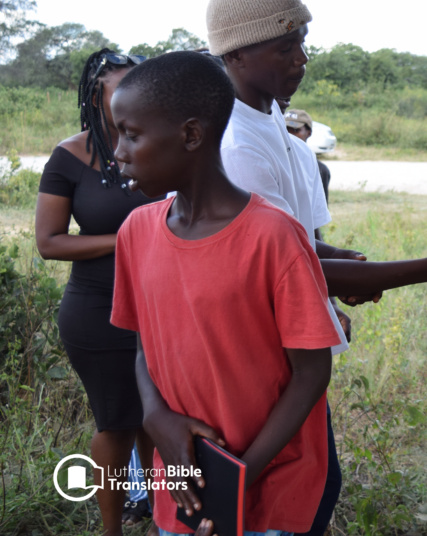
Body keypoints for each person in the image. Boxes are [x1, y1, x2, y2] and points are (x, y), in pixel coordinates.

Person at [206, 0, 427, 535]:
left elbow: (293, 241)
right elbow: (280, 269)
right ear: (237, 54)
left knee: (315, 488)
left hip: (293, 348)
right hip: (258, 357)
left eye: (303, 43)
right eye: (285, 47)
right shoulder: (237, 146)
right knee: (275, 502)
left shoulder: (273, 123)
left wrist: (339, 260)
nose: (302, 59)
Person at [109, 51, 341, 535]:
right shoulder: (136, 231)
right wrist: (156, 418)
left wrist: (234, 482)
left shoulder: (272, 236)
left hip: (267, 488)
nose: (119, 152)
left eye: (131, 135)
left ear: (191, 135)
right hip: (183, 484)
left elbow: (312, 371)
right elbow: (144, 346)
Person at [35, 49, 160, 536]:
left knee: (159, 420)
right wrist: (128, 237)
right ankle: (112, 530)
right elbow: (49, 242)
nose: (134, 97)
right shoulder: (69, 157)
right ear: (94, 96)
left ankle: (164, 518)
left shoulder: (160, 143)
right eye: (121, 88)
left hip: (162, 308)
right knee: (118, 422)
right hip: (98, 311)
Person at [283, 108, 331, 202]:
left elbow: (320, 206)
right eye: (285, 130)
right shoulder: (274, 163)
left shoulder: (319, 169)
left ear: (308, 133)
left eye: (295, 130)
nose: (289, 135)